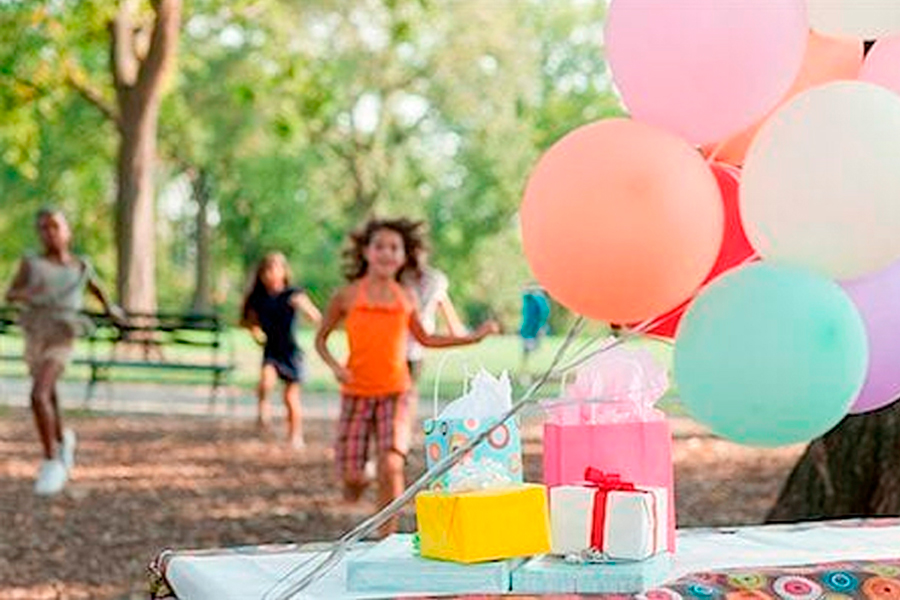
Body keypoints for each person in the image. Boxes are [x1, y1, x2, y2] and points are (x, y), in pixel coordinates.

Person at [315, 218, 499, 536]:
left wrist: (472, 338)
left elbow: (426, 339)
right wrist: (335, 366)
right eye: (380, 247)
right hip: (356, 392)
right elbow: (321, 339)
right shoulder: (346, 296)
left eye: (394, 248)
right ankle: (362, 477)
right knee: (352, 478)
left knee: (392, 464)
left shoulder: (406, 297)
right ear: (366, 252)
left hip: (395, 391)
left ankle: (386, 538)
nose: (387, 253)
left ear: (403, 256)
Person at [5, 208, 123, 496]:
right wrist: (29, 293)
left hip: (63, 334)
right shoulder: (31, 263)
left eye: (55, 226)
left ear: (67, 230)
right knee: (50, 395)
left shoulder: (80, 266)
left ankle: (50, 460)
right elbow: (11, 293)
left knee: (39, 394)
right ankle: (62, 442)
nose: (50, 233)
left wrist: (112, 312)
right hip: (36, 333)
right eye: (43, 228)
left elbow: (97, 291)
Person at [240, 252, 321, 449]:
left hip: (291, 352)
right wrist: (256, 334)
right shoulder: (258, 298)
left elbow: (315, 316)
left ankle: (295, 435)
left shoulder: (293, 294)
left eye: (274, 269)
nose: (269, 275)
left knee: (290, 397)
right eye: (265, 271)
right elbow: (248, 321)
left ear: (284, 272)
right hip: (272, 350)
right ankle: (263, 415)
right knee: (265, 382)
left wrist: (304, 307)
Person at [519, 283, 551, 375]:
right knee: (527, 350)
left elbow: (543, 315)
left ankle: (526, 371)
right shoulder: (533, 299)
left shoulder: (538, 300)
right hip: (529, 329)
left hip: (533, 329)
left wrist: (541, 327)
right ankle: (525, 371)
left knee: (529, 349)